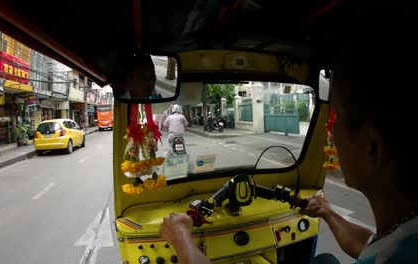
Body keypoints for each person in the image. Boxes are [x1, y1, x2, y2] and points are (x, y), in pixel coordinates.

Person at [159, 10, 418, 264]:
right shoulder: (403, 239)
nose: (331, 131)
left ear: (372, 148)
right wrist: (327, 212)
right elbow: (369, 245)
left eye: (336, 118)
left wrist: (181, 236)